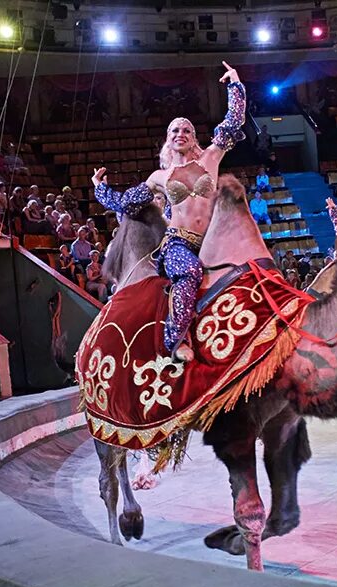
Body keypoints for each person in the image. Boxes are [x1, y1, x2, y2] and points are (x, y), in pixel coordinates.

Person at [93, 61, 245, 362]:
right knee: (189, 272)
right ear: (168, 138)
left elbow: (232, 123)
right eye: (175, 129)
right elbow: (127, 204)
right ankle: (174, 341)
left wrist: (235, 85)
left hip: (213, 241)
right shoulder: (158, 178)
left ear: (194, 137)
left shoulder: (211, 159)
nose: (181, 133)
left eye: (187, 129)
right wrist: (100, 188)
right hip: (178, 243)